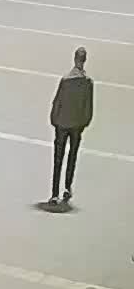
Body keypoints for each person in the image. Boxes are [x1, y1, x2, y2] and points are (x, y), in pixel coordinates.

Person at [49, 46, 94, 205]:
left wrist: (54, 120)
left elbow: (57, 102)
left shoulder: (66, 80)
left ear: (75, 59)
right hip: (77, 125)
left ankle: (54, 192)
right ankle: (67, 186)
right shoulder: (88, 82)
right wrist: (84, 123)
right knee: (72, 156)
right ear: (85, 60)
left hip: (61, 124)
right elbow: (88, 108)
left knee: (58, 159)